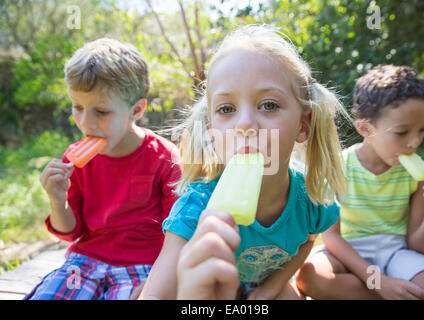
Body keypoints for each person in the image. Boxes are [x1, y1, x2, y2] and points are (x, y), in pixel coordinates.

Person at [137, 24, 349, 300]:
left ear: (303, 124)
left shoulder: (311, 198)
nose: (245, 124)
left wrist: (270, 289)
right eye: (227, 109)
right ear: (212, 131)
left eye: (269, 105)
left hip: (263, 287)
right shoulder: (196, 209)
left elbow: (307, 242)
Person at [25, 38, 182, 300]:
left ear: (136, 110)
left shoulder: (164, 158)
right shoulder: (75, 161)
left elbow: (177, 234)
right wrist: (57, 199)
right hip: (85, 261)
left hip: (142, 265)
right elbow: (70, 231)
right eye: (78, 107)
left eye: (101, 111)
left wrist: (159, 282)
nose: (86, 122)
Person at [296, 65, 424, 300]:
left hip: (398, 252)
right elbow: (332, 236)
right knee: (311, 276)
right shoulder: (338, 166)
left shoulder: (420, 175)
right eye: (402, 132)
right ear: (365, 128)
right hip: (348, 251)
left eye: (422, 130)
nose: (414, 142)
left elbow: (418, 246)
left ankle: (393, 291)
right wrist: (379, 282)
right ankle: (391, 292)